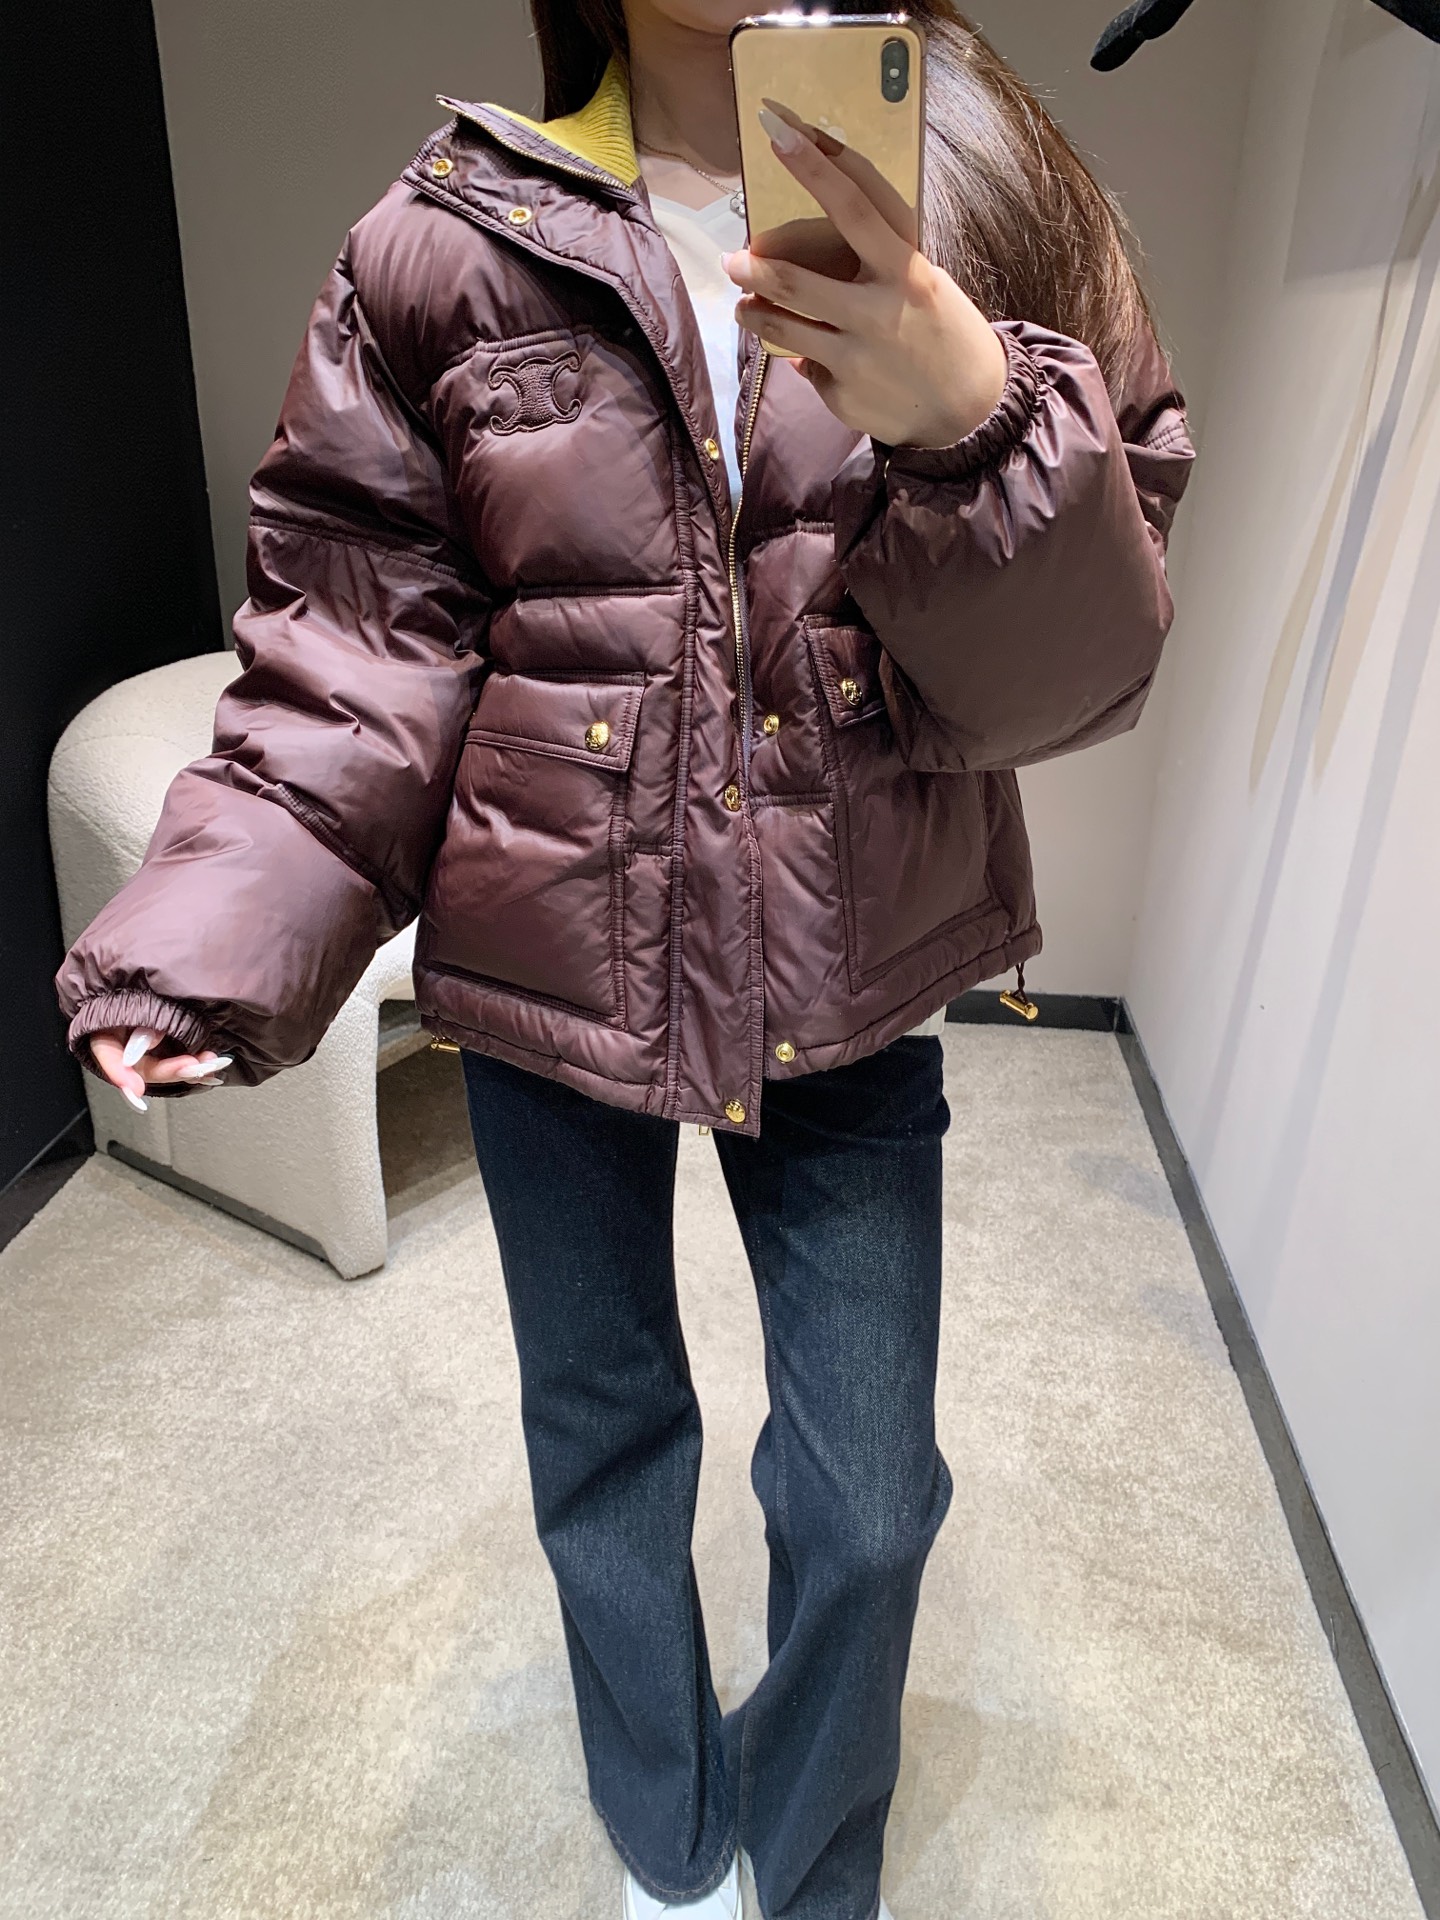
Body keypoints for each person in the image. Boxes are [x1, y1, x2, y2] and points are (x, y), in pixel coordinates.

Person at [56, 1, 1195, 1914]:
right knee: (601, 1439)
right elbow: (355, 658)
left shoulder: (982, 194)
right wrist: (206, 942)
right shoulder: (442, 242)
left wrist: (972, 424)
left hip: (850, 966)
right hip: (548, 954)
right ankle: (664, 1830)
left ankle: (810, 1860)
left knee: (869, 1501)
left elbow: (1076, 672)